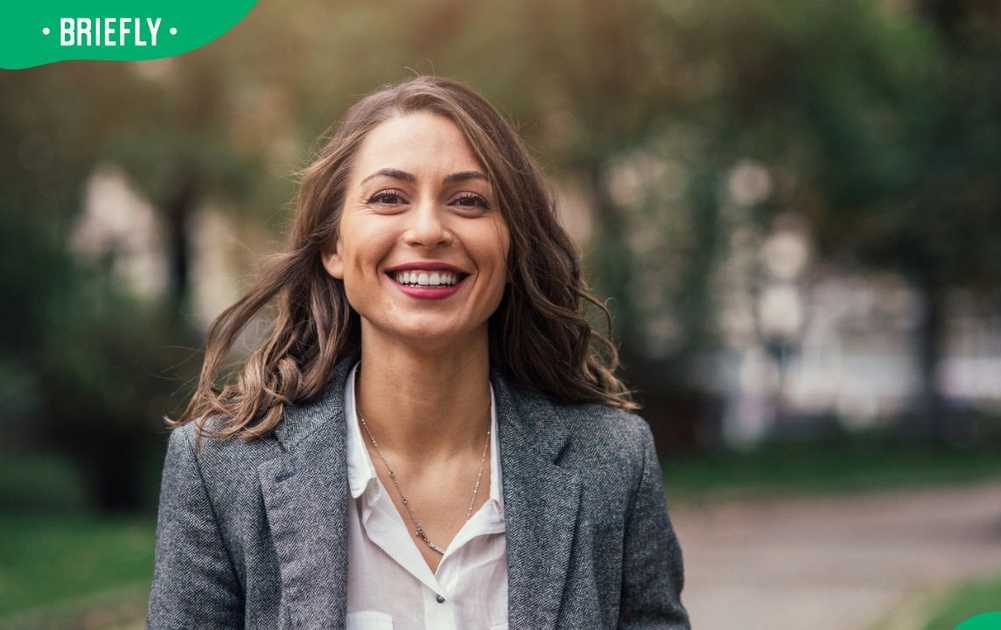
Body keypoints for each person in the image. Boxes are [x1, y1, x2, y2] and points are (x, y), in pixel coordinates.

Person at [146, 75, 690, 630]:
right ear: (334, 245)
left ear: (510, 245)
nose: (428, 230)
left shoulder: (615, 461)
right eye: (388, 198)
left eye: (468, 201)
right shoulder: (217, 471)